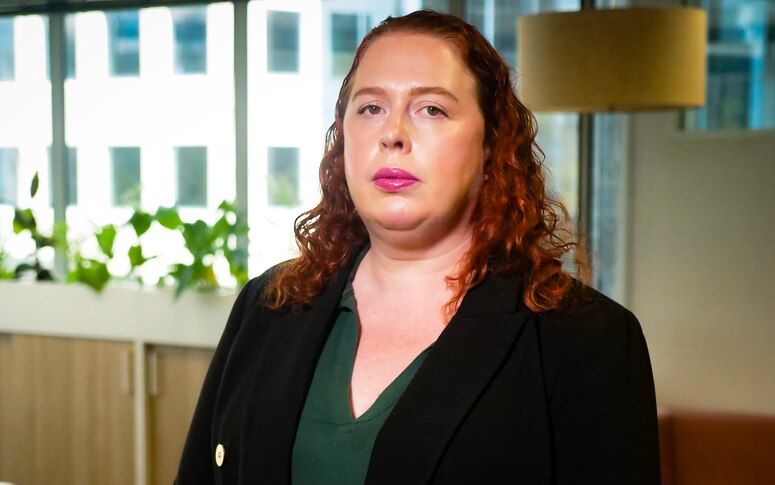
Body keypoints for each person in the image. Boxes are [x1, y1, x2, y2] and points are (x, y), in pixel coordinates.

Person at [176, 9, 659, 485]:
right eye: (371, 108)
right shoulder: (266, 306)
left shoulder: (587, 340)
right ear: (343, 137)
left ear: (493, 146)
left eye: (431, 109)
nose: (393, 135)